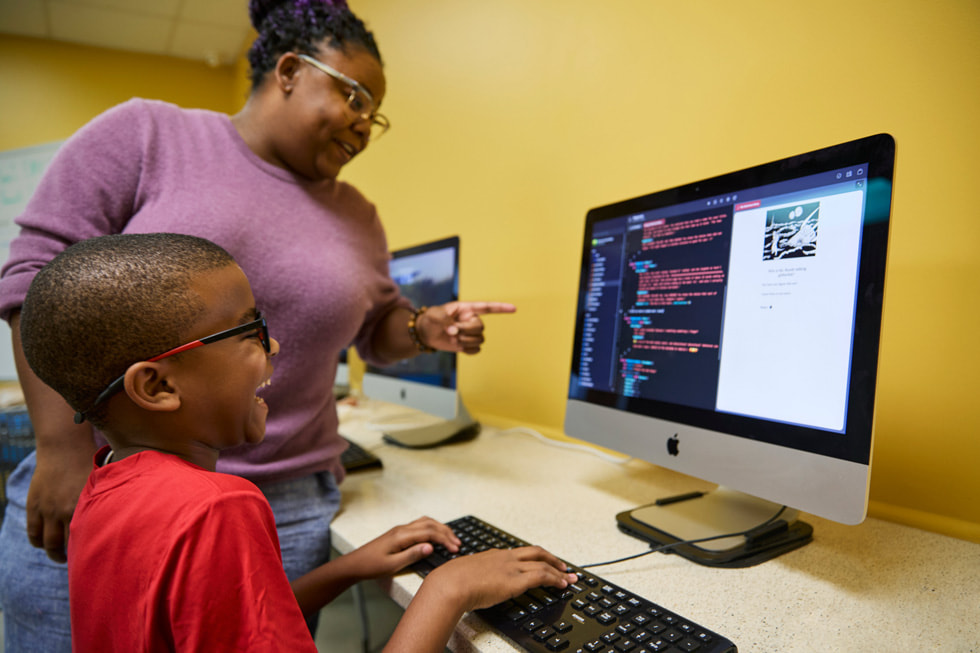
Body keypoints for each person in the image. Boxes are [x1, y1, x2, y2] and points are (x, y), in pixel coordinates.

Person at [0, 0, 515, 650]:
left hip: (286, 496)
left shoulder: (358, 215)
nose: (363, 125)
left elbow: (377, 326)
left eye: (374, 115)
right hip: (113, 479)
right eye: (354, 96)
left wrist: (422, 328)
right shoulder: (147, 133)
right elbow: (39, 281)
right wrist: (63, 449)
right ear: (291, 70)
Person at [18, 233, 574, 653]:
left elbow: (211, 627)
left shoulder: (103, 485)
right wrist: (448, 591)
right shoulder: (217, 509)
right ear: (158, 385)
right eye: (249, 330)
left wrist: (347, 568)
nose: (275, 343)